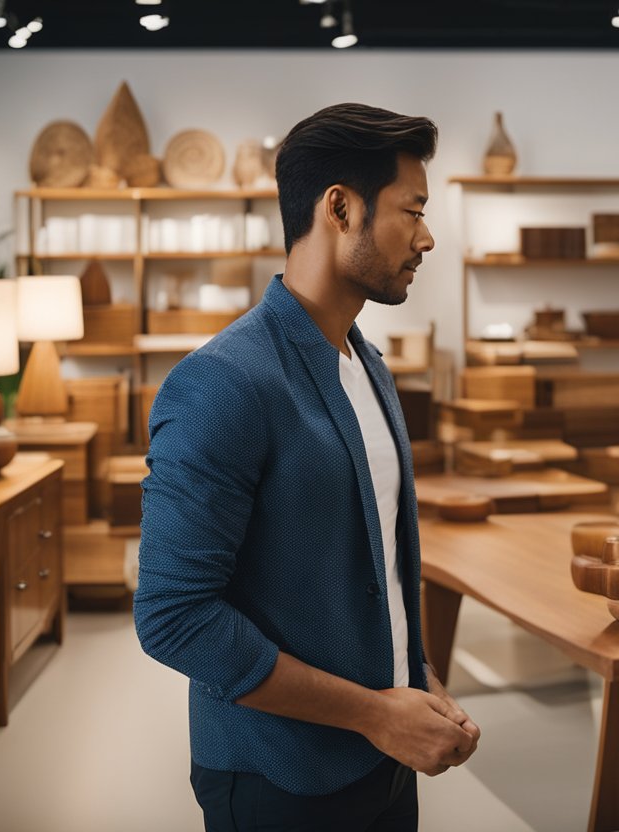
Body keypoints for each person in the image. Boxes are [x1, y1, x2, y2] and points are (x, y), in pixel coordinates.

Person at [134, 103, 480, 831]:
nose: (428, 236)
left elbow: (374, 561)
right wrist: (374, 713)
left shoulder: (369, 366)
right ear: (341, 207)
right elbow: (174, 617)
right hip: (278, 779)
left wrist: (415, 682)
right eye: (411, 210)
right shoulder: (222, 383)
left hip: (383, 760)